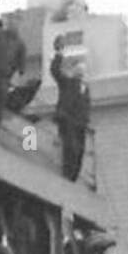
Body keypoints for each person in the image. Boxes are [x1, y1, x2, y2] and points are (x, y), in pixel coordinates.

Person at [51, 44, 90, 182]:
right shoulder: (67, 82)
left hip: (80, 123)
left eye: (82, 71)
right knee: (70, 148)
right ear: (74, 72)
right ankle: (68, 174)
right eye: (78, 70)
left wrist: (86, 121)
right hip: (68, 119)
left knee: (79, 151)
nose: (80, 73)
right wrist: (59, 54)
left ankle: (73, 176)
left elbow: (86, 107)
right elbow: (55, 71)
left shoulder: (86, 89)